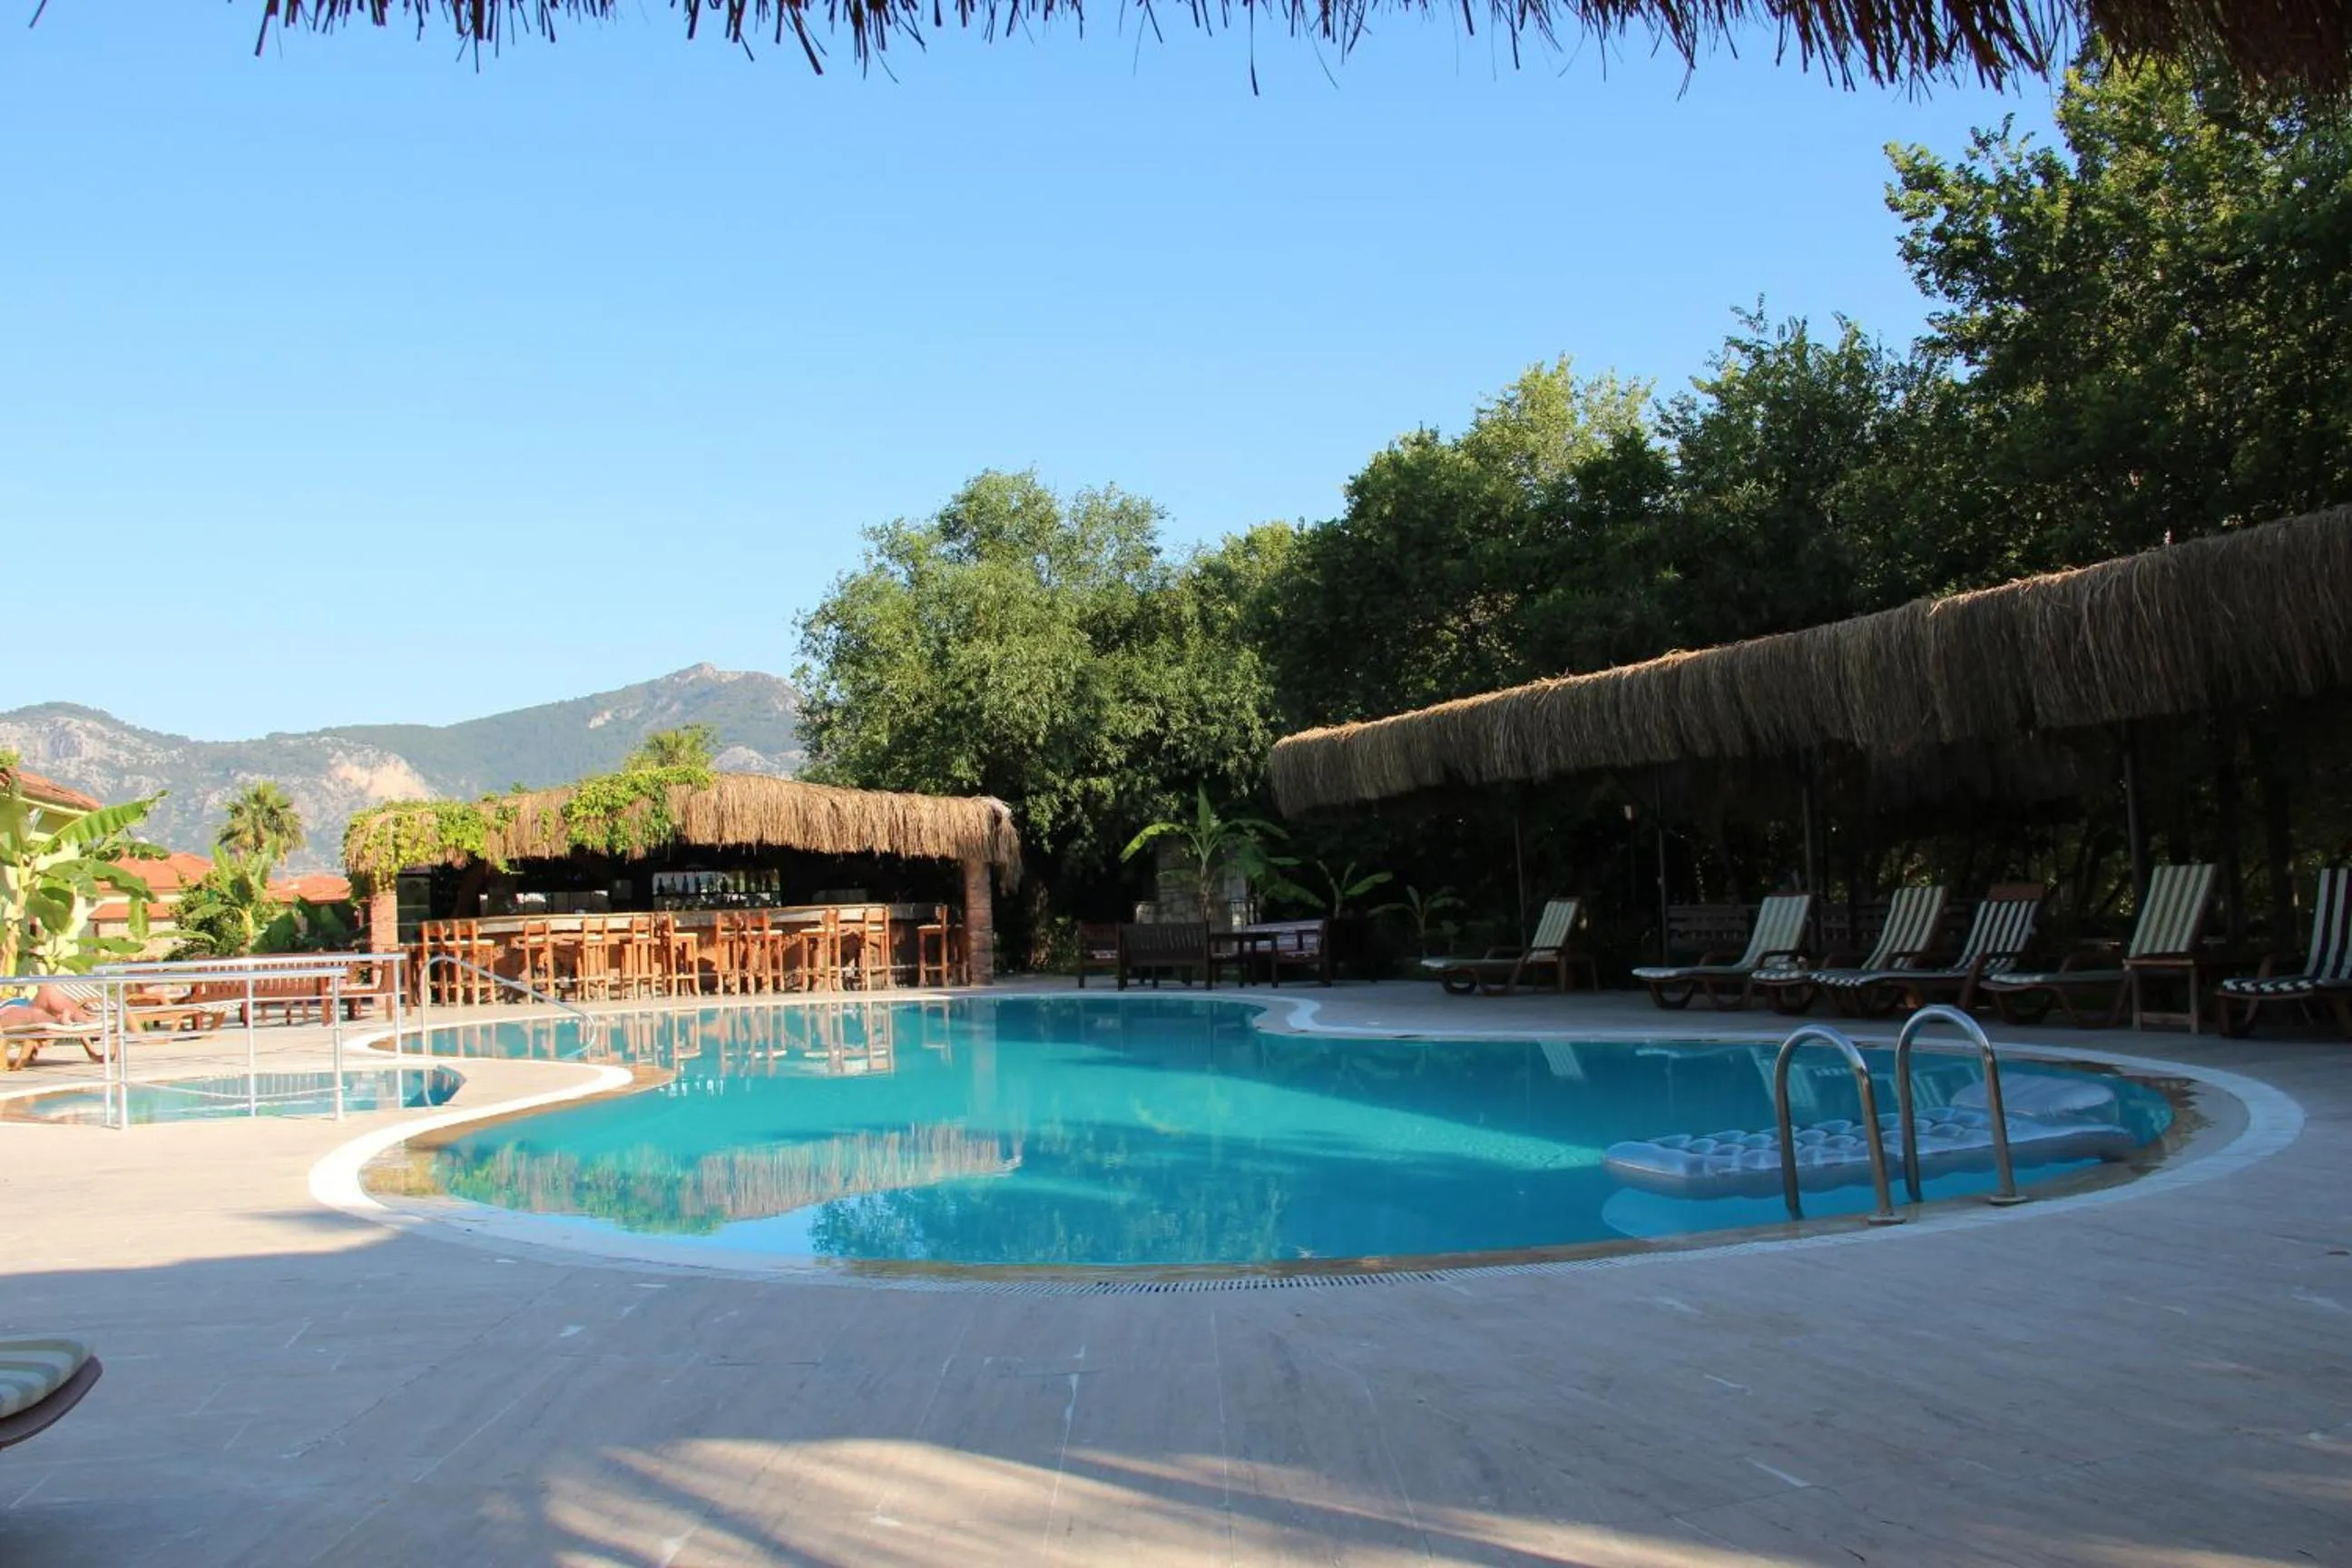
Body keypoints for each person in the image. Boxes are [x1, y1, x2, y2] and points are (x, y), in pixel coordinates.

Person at [0, 984, 99, 1028]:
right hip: (5, 1014)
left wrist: (91, 1052)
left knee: (48, 990)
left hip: (25, 1004)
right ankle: (58, 1021)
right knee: (28, 1014)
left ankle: (82, 1018)